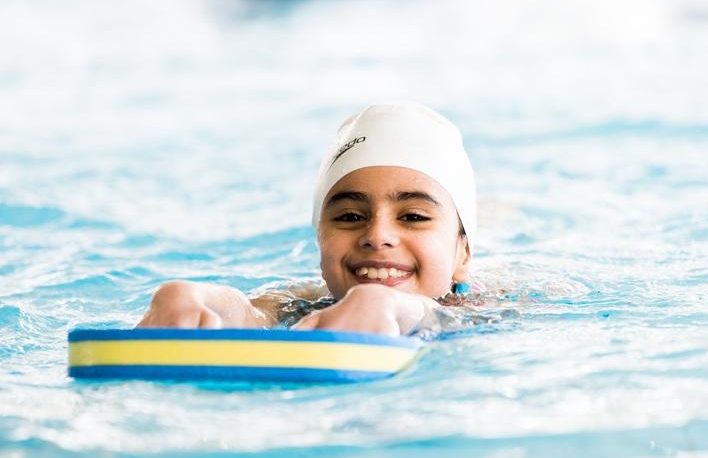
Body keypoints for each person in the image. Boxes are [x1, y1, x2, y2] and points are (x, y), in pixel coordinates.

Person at [136, 101, 477, 337]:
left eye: (414, 216)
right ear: (319, 239)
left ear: (463, 254)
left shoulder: (501, 307)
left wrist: (396, 307)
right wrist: (193, 299)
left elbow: (444, 319)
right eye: (350, 216)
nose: (377, 235)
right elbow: (253, 313)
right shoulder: (306, 304)